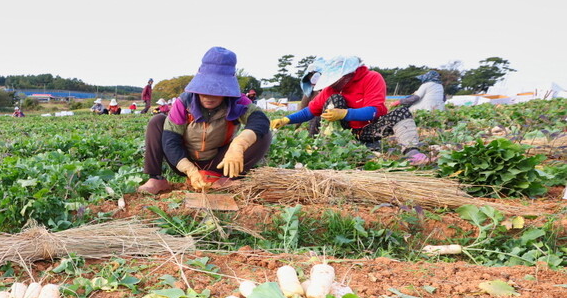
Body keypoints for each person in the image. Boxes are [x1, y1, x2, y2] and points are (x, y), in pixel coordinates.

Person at [137, 47, 272, 196]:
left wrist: (239, 144)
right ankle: (156, 179)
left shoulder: (237, 101)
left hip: (220, 162)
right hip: (185, 159)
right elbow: (170, 140)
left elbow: (260, 119)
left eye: (217, 90)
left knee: (263, 133)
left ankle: (227, 179)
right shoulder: (184, 102)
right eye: (205, 89)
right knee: (157, 121)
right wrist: (190, 170)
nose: (209, 96)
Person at [270, 56, 430, 164]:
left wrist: (346, 113)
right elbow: (310, 111)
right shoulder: (330, 90)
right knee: (335, 100)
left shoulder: (372, 78)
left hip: (369, 129)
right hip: (345, 133)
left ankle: (411, 152)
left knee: (401, 113)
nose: (331, 84)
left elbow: (377, 110)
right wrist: (286, 120)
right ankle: (330, 147)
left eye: (334, 81)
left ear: (346, 76)